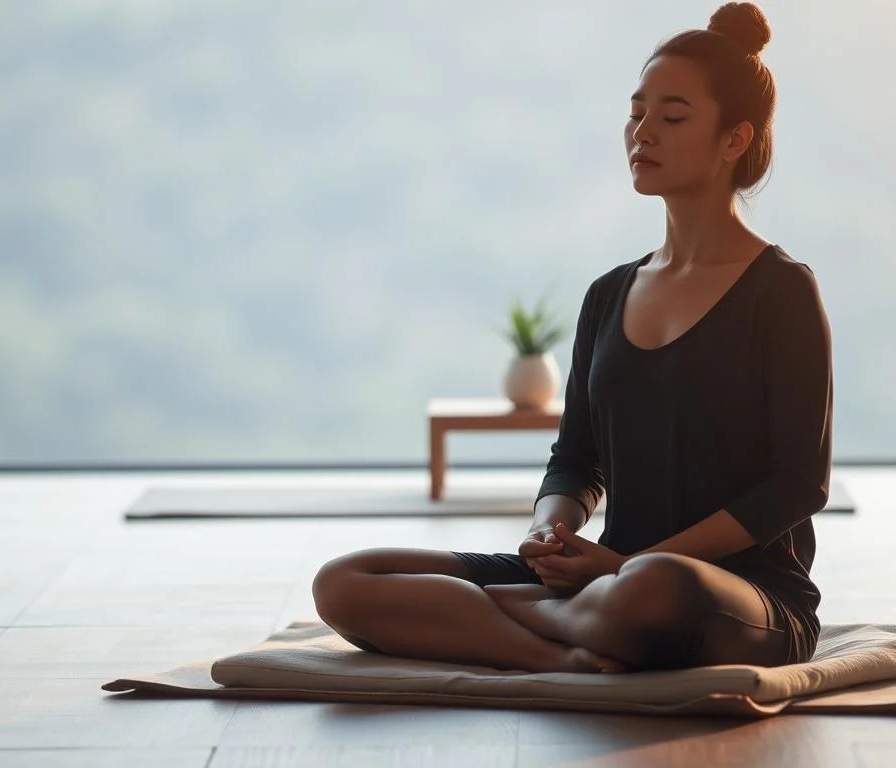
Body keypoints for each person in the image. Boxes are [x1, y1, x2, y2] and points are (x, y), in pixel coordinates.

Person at [312, 1, 832, 674]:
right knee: (346, 581)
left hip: (730, 594)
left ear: (734, 139)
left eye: (672, 118)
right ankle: (563, 655)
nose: (643, 132)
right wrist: (549, 530)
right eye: (636, 112)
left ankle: (517, 626)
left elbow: (796, 486)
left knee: (652, 591)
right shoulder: (609, 293)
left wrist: (630, 563)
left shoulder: (781, 289)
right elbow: (577, 459)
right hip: (602, 578)